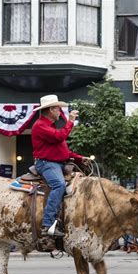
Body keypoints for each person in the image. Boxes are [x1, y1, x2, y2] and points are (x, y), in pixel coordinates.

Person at [32, 95, 90, 237]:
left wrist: (80, 158)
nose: (60, 112)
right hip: (46, 164)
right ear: (51, 110)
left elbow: (64, 151)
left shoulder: (50, 127)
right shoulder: (40, 126)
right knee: (59, 185)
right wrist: (70, 122)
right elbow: (60, 137)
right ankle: (47, 225)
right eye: (58, 109)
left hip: (55, 163)